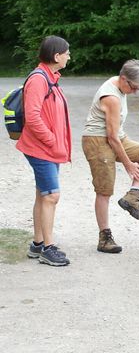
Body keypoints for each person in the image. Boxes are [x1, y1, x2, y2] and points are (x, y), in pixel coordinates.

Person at [82, 59, 139, 254]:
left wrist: (130, 153)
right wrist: (128, 165)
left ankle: (132, 196)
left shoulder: (120, 85)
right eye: (134, 87)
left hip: (116, 137)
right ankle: (104, 237)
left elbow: (117, 134)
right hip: (97, 141)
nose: (135, 92)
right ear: (124, 79)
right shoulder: (112, 97)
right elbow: (112, 138)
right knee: (104, 191)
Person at [18, 35, 72, 267]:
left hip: (48, 148)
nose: (69, 56)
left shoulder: (50, 77)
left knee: (43, 194)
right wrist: (51, 140)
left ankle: (38, 243)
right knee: (51, 195)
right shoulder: (39, 79)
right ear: (56, 55)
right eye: (67, 52)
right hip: (41, 148)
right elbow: (33, 117)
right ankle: (47, 249)